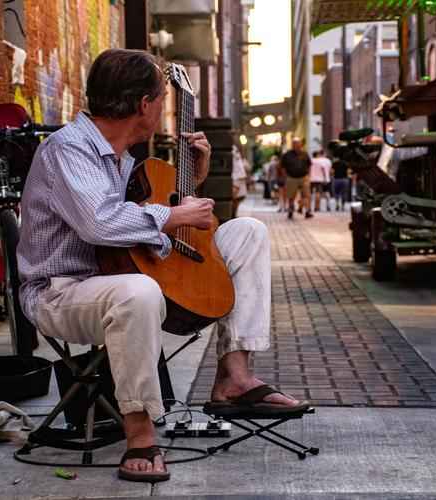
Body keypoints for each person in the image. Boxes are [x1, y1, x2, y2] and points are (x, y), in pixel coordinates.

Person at [16, 49, 307, 483]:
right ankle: (140, 432)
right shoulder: (68, 150)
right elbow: (100, 223)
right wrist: (173, 217)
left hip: (121, 276)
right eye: (160, 101)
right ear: (145, 106)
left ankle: (235, 378)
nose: (162, 111)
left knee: (248, 232)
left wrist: (195, 180)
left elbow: (150, 219)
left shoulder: (124, 159)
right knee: (139, 291)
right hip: (62, 291)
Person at [281, 137, 312, 219]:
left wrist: (308, 175)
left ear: (301, 145)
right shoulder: (287, 155)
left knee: (306, 195)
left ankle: (307, 211)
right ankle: (291, 210)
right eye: (295, 144)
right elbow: (283, 167)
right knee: (291, 196)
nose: (297, 146)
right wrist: (286, 177)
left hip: (303, 177)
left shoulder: (305, 154)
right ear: (292, 145)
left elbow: (309, 165)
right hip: (291, 177)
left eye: (298, 144)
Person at [231, 145, 248, 217]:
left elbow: (240, 169)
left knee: (235, 199)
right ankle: (233, 215)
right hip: (237, 179)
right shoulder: (236, 153)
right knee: (235, 199)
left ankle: (233, 215)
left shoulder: (235, 153)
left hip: (237, 179)